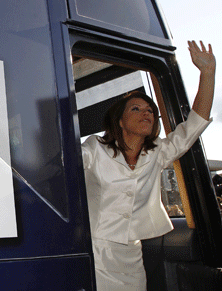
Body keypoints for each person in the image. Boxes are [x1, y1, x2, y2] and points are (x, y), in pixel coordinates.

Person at [81, 40, 216, 290]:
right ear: (120, 121)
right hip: (94, 251)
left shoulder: (158, 153)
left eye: (150, 110)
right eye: (136, 108)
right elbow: (62, 163)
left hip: (131, 255)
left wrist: (208, 73)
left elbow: (194, 125)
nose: (147, 113)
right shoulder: (94, 149)